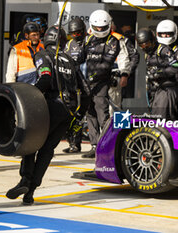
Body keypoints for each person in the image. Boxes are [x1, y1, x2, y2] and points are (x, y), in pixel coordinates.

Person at [5, 25, 89, 205]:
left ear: (47, 40)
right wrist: (78, 118)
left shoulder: (43, 55)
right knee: (47, 150)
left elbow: (45, 79)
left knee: (30, 143)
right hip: (68, 112)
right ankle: (30, 192)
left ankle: (25, 180)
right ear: (64, 42)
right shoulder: (71, 61)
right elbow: (87, 92)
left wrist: (28, 98)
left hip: (50, 107)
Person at [81, 10, 123, 159]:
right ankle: (94, 144)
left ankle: (106, 145)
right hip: (87, 82)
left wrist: (92, 77)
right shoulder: (88, 40)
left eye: (101, 28)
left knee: (102, 112)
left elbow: (106, 64)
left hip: (101, 82)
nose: (99, 30)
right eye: (96, 28)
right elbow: (80, 57)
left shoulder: (113, 42)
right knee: (89, 112)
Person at [136, 19, 178, 120]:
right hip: (155, 90)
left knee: (161, 120)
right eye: (142, 45)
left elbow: (175, 67)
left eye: (147, 44)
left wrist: (158, 73)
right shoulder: (148, 54)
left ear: (153, 40)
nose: (145, 47)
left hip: (167, 90)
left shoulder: (163, 50)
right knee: (153, 118)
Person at [63, 17, 87, 153]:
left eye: (78, 33)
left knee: (84, 115)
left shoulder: (88, 42)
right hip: (73, 83)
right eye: (73, 34)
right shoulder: (69, 44)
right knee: (72, 113)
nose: (75, 36)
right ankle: (74, 143)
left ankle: (91, 144)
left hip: (87, 84)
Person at [108, 22, 138, 114]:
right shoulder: (92, 38)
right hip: (96, 78)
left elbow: (134, 56)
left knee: (113, 108)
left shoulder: (120, 39)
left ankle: (116, 128)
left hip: (115, 77)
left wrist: (125, 74)